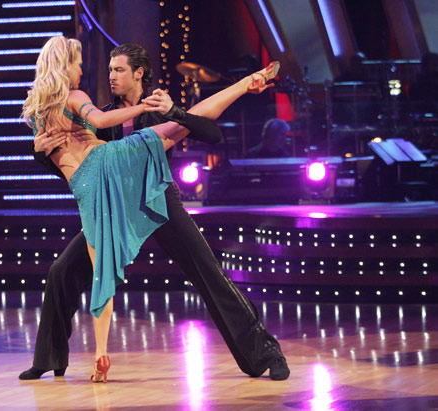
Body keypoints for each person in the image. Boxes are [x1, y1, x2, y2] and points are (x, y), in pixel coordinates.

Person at [19, 38, 289, 382]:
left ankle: (266, 352)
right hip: (115, 204)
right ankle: (49, 359)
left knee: (208, 272)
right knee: (62, 271)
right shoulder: (101, 114)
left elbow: (210, 132)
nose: (111, 76)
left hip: (158, 198)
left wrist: (175, 111)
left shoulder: (158, 107)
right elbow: (75, 164)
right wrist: (40, 153)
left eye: (119, 70)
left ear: (138, 73)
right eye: (110, 70)